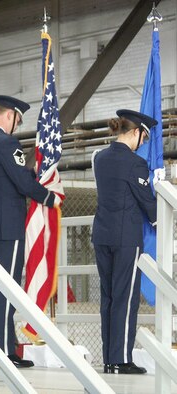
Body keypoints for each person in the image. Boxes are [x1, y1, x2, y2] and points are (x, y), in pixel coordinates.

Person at [0, 95, 58, 368]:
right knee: (7, 286)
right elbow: (20, 181)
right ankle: (6, 351)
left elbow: (5, 177)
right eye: (17, 121)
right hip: (8, 221)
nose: (16, 128)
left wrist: (29, 174)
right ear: (9, 115)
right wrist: (48, 197)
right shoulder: (7, 142)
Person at [92, 109, 157, 374]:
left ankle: (110, 359)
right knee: (126, 299)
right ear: (134, 132)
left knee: (108, 298)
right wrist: (159, 219)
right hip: (125, 238)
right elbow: (146, 201)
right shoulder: (134, 163)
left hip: (102, 235)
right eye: (143, 137)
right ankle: (122, 359)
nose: (143, 143)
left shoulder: (100, 158)